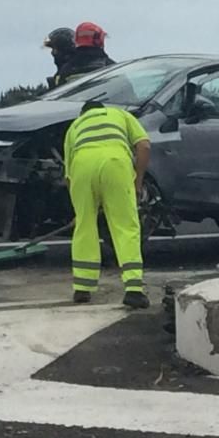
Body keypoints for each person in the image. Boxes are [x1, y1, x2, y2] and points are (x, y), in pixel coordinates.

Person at [63, 100, 151, 309]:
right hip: (114, 163)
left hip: (82, 167)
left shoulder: (75, 126)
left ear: (84, 113)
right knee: (125, 226)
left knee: (85, 227)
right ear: (102, 108)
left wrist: (81, 210)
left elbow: (68, 177)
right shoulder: (120, 114)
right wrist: (137, 182)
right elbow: (144, 146)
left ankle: (83, 288)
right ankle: (133, 289)